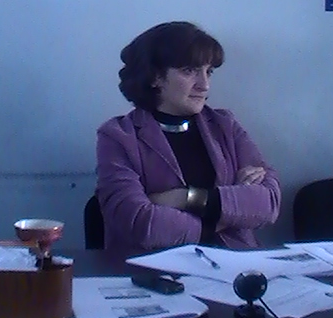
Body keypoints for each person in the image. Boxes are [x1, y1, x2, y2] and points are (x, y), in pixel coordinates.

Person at [96, 21, 281, 253]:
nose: (204, 85)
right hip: (153, 267)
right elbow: (141, 223)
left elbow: (268, 202)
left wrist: (185, 198)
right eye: (189, 71)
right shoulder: (118, 136)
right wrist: (227, 215)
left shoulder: (225, 125)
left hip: (234, 262)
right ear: (155, 77)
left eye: (208, 72)